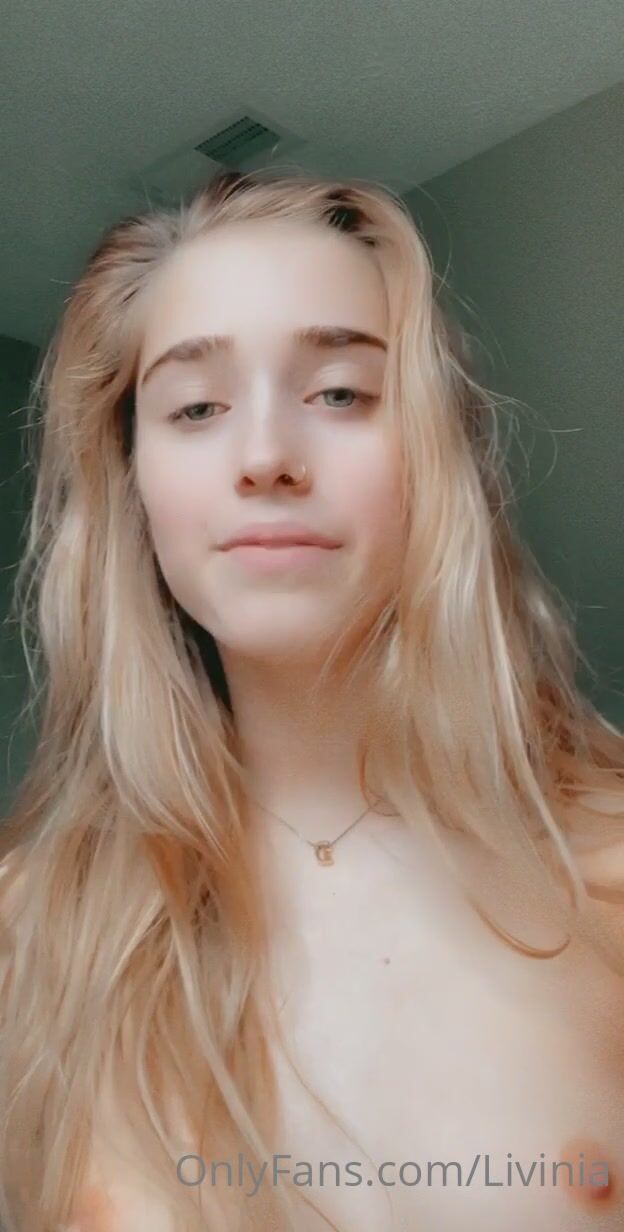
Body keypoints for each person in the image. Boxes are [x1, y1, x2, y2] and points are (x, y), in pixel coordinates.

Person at [0, 167, 623, 1232]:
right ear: (133, 481)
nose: (266, 458)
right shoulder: (25, 934)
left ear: (433, 451)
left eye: (339, 392)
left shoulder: (608, 868)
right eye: (196, 407)